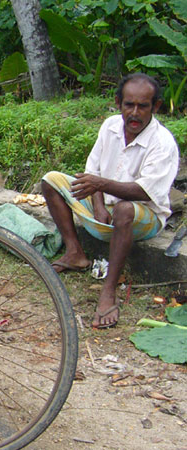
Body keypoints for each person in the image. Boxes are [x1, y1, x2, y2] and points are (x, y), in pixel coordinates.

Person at [41, 73, 179, 329]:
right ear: (118, 103)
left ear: (156, 107)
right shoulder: (110, 126)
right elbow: (92, 173)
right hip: (105, 211)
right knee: (51, 180)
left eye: (143, 106)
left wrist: (101, 187)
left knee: (125, 209)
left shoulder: (162, 143)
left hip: (143, 218)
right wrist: (100, 204)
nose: (135, 113)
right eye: (129, 105)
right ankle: (75, 253)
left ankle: (108, 290)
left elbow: (144, 192)